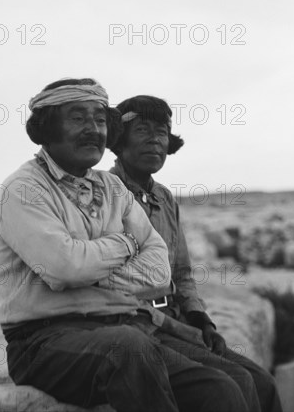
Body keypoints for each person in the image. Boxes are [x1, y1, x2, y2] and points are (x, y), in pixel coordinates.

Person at [0, 77, 251, 412]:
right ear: (47, 127)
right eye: (78, 118)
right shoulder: (23, 188)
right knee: (129, 347)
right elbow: (66, 268)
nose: (94, 130)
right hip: (42, 342)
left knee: (221, 388)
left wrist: (91, 263)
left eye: (100, 120)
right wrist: (127, 244)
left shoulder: (110, 188)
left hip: (120, 325)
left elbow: (159, 271)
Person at [109, 94, 283, 412]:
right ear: (119, 141)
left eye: (161, 131)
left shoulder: (164, 198)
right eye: (143, 130)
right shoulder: (105, 194)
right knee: (230, 387)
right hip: (135, 324)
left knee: (263, 383)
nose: (155, 140)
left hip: (174, 319)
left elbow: (182, 273)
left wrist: (200, 319)